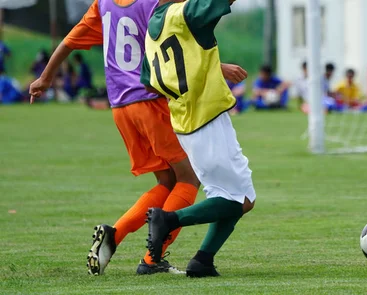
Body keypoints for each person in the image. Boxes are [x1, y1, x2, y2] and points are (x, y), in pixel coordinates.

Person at [27, 0, 225, 276]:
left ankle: (113, 236)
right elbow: (176, 41)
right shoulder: (156, 2)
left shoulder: (104, 3)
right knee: (189, 178)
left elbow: (69, 41)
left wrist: (45, 78)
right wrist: (217, 67)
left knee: (167, 181)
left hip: (121, 107)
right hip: (150, 101)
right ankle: (152, 260)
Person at [141, 0, 256, 278]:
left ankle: (202, 261)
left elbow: (148, 81)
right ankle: (168, 219)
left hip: (183, 120)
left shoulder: (153, 26)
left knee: (227, 195)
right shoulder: (184, 12)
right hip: (207, 117)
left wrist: (211, 67)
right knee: (240, 198)